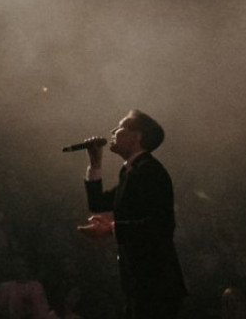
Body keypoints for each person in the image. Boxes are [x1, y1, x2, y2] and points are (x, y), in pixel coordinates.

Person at [76, 109, 187, 319]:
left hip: (156, 286)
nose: (113, 131)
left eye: (120, 127)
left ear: (136, 136)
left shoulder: (150, 170)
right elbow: (98, 204)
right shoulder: (130, 172)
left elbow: (161, 226)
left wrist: (111, 229)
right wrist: (95, 164)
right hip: (140, 284)